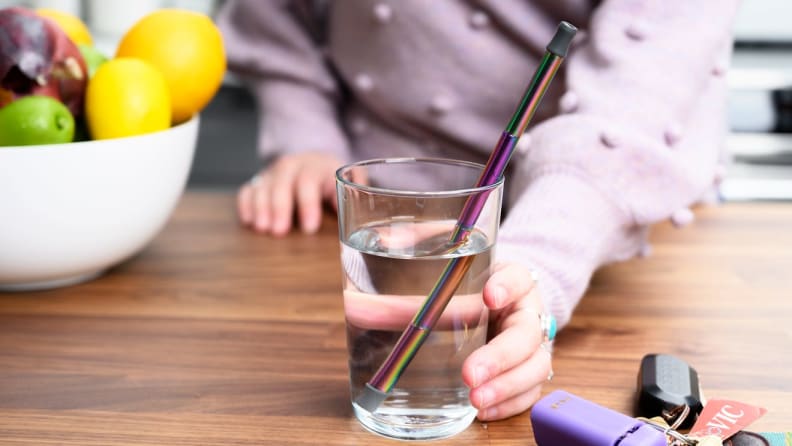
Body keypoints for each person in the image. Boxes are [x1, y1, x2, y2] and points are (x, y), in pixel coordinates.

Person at [216, 0, 740, 421]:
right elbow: (273, 15)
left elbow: (634, 101)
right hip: (368, 203)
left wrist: (532, 273)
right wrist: (304, 130)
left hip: (582, 210)